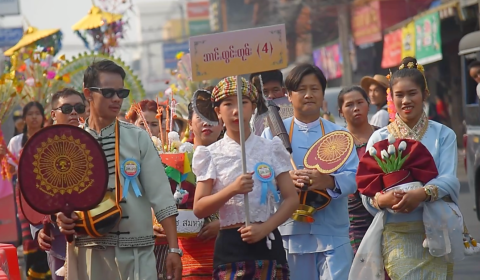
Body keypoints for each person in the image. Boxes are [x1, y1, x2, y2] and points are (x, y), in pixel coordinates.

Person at [54, 60, 182, 280]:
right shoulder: (71, 142)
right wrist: (60, 217)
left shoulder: (138, 137)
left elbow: (162, 196)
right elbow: (61, 199)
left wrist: (173, 249)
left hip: (135, 252)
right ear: (88, 93)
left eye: (121, 92)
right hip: (89, 251)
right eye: (109, 92)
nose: (116, 99)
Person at [353, 57, 463, 279]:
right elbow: (367, 186)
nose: (405, 100)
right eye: (399, 95)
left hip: (437, 231)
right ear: (391, 98)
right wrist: (379, 200)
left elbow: (449, 179)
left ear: (425, 93)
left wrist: (421, 193)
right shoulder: (380, 136)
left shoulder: (444, 134)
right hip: (397, 234)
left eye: (412, 93)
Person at [192, 76, 298, 279]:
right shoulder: (210, 154)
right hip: (230, 249)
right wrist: (232, 189)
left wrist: (265, 227)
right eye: (228, 104)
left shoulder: (271, 147)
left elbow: (291, 198)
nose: (236, 110)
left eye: (243, 102)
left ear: (253, 107)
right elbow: (199, 208)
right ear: (218, 111)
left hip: (268, 243)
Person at [261, 63, 358, 280]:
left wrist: (329, 181)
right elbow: (262, 180)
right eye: (301, 89)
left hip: (333, 231)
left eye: (314, 89)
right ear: (288, 95)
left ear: (322, 93)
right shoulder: (273, 134)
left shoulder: (339, 134)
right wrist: (285, 182)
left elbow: (354, 177)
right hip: (291, 233)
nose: (308, 95)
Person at [33, 88, 87, 280]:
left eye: (79, 107)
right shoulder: (41, 147)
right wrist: (39, 229)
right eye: (66, 108)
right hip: (59, 240)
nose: (74, 112)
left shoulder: (95, 143)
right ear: (54, 114)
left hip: (96, 235)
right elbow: (33, 192)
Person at [0, 102, 51, 280]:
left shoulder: (49, 138)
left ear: (44, 117)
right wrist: (2, 158)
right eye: (30, 114)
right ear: (24, 118)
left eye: (38, 113)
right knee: (30, 238)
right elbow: (11, 171)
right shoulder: (16, 142)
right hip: (25, 198)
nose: (34, 117)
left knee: (49, 236)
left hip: (49, 197)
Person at [175, 102, 223, 279]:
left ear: (222, 120)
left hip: (228, 249)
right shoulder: (175, 159)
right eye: (200, 117)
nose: (206, 123)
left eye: (212, 117)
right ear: (189, 122)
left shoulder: (237, 156)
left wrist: (223, 223)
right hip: (188, 252)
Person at [337, 86, 376, 256]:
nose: (356, 108)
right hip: (353, 218)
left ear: (368, 104)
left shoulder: (384, 135)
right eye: (349, 105)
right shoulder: (337, 143)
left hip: (386, 211)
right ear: (340, 112)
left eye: (360, 102)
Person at [250, 70, 333, 136]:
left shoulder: (306, 109)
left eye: (275, 90)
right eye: (265, 92)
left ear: (284, 91)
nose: (271, 96)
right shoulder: (255, 120)